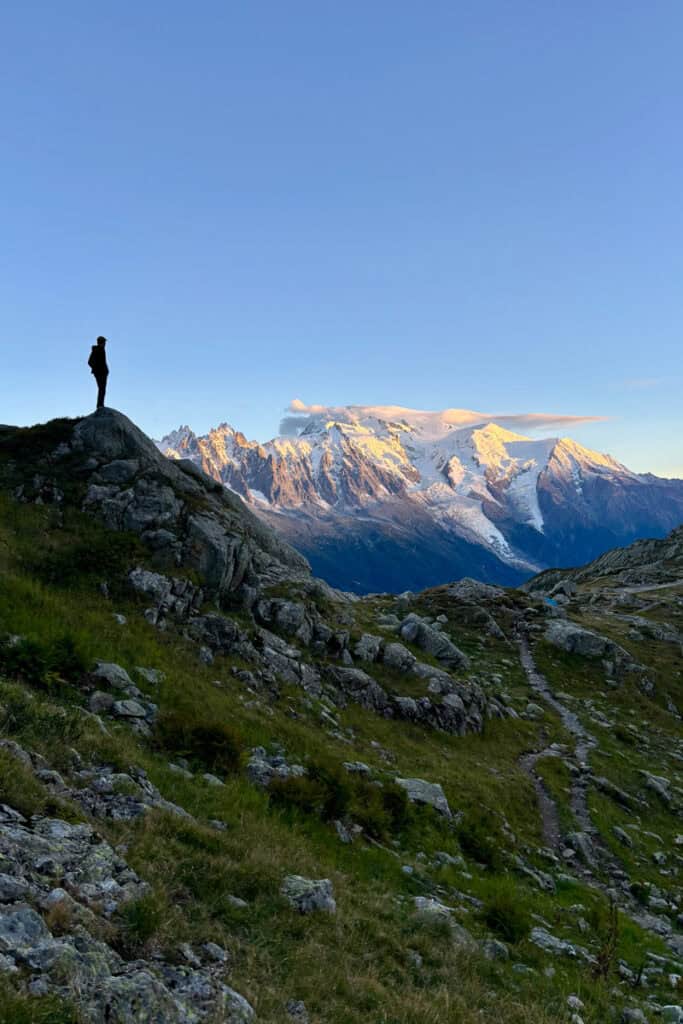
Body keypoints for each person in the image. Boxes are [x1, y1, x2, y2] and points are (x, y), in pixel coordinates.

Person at [88, 336, 109, 409]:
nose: (105, 344)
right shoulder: (97, 350)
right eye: (104, 342)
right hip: (100, 373)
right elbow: (89, 362)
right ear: (101, 342)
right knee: (101, 389)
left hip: (102, 372)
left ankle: (100, 404)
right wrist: (97, 369)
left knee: (102, 389)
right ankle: (100, 405)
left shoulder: (100, 349)